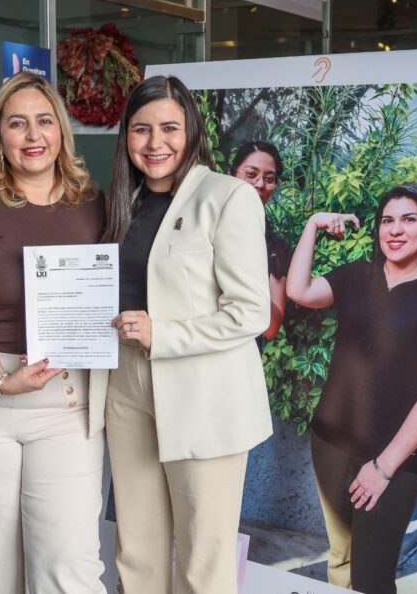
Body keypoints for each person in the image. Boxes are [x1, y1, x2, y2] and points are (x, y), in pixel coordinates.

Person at [0, 72, 107, 594]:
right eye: (17, 123)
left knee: (68, 567)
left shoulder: (95, 205)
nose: (33, 135)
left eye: (44, 121)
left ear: (62, 133)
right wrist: (2, 378)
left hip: (65, 402)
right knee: (0, 573)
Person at [94, 75, 272, 594]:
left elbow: (250, 312)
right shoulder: (118, 205)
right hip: (126, 385)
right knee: (138, 548)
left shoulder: (228, 196)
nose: (155, 143)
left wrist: (162, 332)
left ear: (190, 130)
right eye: (141, 129)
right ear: (126, 136)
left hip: (203, 391)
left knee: (202, 560)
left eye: (169, 127)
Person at [285, 183, 417, 594]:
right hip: (330, 443)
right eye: (387, 220)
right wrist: (313, 224)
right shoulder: (357, 276)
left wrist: (383, 468)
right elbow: (299, 291)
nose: (395, 230)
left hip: (393, 459)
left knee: (372, 578)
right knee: (341, 558)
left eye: (409, 219)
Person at [229, 141, 293, 347]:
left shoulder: (275, 247)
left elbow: (271, 327)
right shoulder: (206, 225)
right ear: (232, 175)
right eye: (251, 174)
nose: (259, 184)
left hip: (241, 355)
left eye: (269, 178)